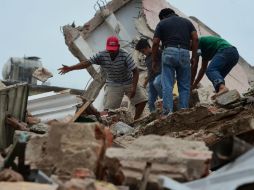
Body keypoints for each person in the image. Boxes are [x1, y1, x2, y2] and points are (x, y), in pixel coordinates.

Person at [58, 36, 147, 120]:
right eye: (109, 50)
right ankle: (99, 117)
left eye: (113, 50)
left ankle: (135, 120)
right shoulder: (101, 55)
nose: (111, 52)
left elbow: (135, 71)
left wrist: (134, 87)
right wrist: (70, 68)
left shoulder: (125, 55)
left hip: (129, 81)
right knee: (108, 112)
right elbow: (87, 63)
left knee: (142, 100)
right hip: (113, 84)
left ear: (118, 46)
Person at [152, 8, 198, 116]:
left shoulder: (162, 23)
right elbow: (195, 39)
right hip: (185, 52)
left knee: (167, 84)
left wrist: (154, 60)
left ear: (163, 17)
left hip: (169, 51)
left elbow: (155, 43)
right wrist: (194, 56)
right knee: (184, 85)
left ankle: (168, 112)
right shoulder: (187, 22)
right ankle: (184, 111)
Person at [135, 38, 162, 112]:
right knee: (150, 101)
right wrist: (145, 82)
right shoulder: (146, 59)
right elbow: (150, 72)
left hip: (161, 76)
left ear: (147, 47)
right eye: (141, 52)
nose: (143, 53)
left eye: (143, 51)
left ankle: (166, 101)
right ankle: (154, 115)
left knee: (157, 83)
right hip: (152, 80)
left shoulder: (157, 52)